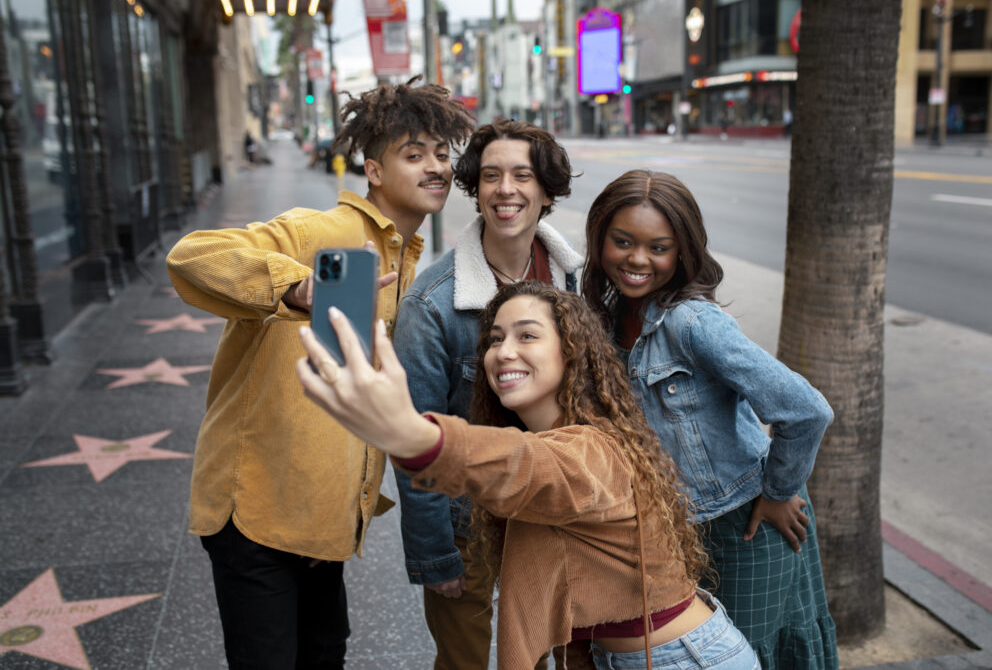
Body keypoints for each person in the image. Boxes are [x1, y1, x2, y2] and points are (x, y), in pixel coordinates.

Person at [165, 78, 474, 669]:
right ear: (374, 169)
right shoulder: (321, 233)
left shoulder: (404, 261)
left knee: (325, 653)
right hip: (256, 511)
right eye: (414, 155)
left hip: (320, 520)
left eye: (441, 154)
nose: (435, 167)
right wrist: (296, 285)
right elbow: (190, 256)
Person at [297, 282, 760, 670]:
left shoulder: (593, 448)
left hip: (685, 659)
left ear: (571, 352)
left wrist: (414, 435)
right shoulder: (559, 436)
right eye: (495, 339)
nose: (504, 352)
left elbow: (526, 465)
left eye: (527, 335)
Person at [580, 169, 838, 669]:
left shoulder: (692, 323)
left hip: (746, 522)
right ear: (600, 239)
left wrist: (780, 491)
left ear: (683, 252)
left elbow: (806, 410)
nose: (637, 259)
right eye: (623, 241)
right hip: (675, 530)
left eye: (659, 247)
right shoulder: (606, 319)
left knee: (743, 656)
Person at [391, 119, 584, 670]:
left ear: (546, 190)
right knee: (466, 662)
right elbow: (415, 442)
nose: (506, 190)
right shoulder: (431, 306)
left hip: (556, 507)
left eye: (523, 175)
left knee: (553, 656)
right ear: (474, 187)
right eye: (492, 175)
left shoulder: (578, 283)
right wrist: (434, 555)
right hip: (467, 520)